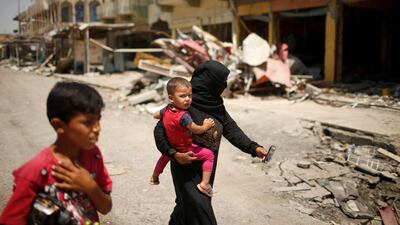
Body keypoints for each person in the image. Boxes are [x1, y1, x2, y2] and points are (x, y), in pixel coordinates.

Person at [154, 60, 270, 225]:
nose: (223, 85)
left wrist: (254, 148)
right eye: (220, 81)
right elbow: (159, 133)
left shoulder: (217, 106)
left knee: (186, 207)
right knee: (201, 210)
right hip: (184, 168)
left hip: (206, 170)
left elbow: (232, 130)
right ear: (210, 82)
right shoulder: (184, 104)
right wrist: (174, 154)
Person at [0, 82, 112, 224]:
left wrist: (90, 186)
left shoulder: (93, 155)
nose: (97, 129)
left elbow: (106, 207)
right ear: (59, 125)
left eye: (98, 120)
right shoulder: (37, 170)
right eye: (88, 123)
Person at [150, 77, 216, 198]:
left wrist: (166, 120)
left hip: (172, 145)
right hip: (185, 149)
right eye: (182, 96)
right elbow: (196, 129)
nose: (187, 99)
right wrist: (206, 125)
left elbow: (155, 115)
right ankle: (204, 184)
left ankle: (155, 176)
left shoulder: (166, 109)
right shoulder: (183, 116)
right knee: (209, 156)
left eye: (189, 95)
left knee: (165, 157)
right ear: (171, 98)